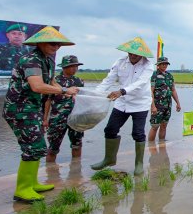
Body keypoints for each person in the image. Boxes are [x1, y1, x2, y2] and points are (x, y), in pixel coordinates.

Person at [2, 26, 79, 203]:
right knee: (33, 147)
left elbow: (50, 81)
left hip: (33, 108)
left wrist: (65, 91)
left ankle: (32, 182)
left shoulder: (48, 60)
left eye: (58, 44)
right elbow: (37, 86)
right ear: (41, 42)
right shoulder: (31, 59)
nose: (56, 47)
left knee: (38, 146)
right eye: (52, 43)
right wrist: (65, 90)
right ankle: (22, 189)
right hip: (19, 109)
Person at [91, 37, 154, 176]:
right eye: (130, 53)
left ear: (142, 55)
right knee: (110, 129)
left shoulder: (148, 65)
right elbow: (108, 80)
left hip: (140, 103)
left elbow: (141, 83)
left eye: (136, 54)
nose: (132, 56)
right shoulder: (120, 63)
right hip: (122, 102)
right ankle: (109, 159)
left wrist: (122, 91)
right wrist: (95, 94)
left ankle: (139, 164)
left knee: (138, 133)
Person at [44, 55, 85, 162]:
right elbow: (47, 100)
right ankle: (50, 173)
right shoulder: (55, 81)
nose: (75, 69)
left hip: (76, 118)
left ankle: (76, 170)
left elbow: (83, 100)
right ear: (64, 67)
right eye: (72, 66)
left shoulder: (79, 81)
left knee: (77, 144)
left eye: (76, 66)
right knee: (53, 147)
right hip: (57, 119)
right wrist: (45, 119)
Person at [148, 56, 181, 142]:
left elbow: (173, 90)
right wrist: (153, 106)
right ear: (158, 65)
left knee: (164, 125)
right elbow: (150, 92)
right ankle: (151, 147)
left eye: (166, 64)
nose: (164, 65)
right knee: (155, 126)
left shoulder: (169, 76)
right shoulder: (154, 75)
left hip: (168, 105)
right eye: (162, 64)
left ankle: (162, 145)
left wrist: (178, 103)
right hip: (157, 105)